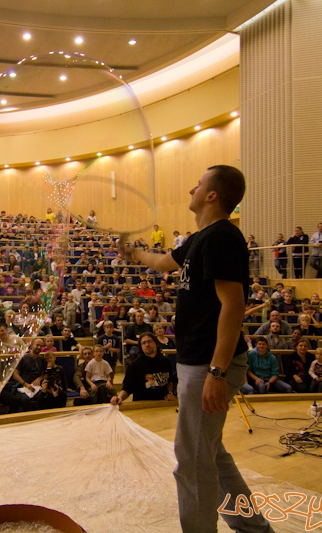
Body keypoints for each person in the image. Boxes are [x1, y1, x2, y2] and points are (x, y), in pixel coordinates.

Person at [119, 165, 274, 532]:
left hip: (209, 364)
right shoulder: (200, 238)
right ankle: (253, 528)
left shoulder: (221, 238)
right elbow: (163, 262)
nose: (192, 188)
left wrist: (217, 373)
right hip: (199, 363)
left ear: (211, 195)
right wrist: (135, 252)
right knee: (209, 452)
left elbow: (233, 305)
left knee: (191, 457)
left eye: (199, 184)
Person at [111, 332, 175, 405]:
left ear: (156, 344)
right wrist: (120, 397)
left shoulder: (166, 362)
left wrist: (170, 393)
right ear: (141, 347)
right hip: (142, 405)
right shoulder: (134, 365)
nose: (147, 345)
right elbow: (127, 388)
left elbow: (170, 380)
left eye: (149, 341)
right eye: (143, 343)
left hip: (163, 403)